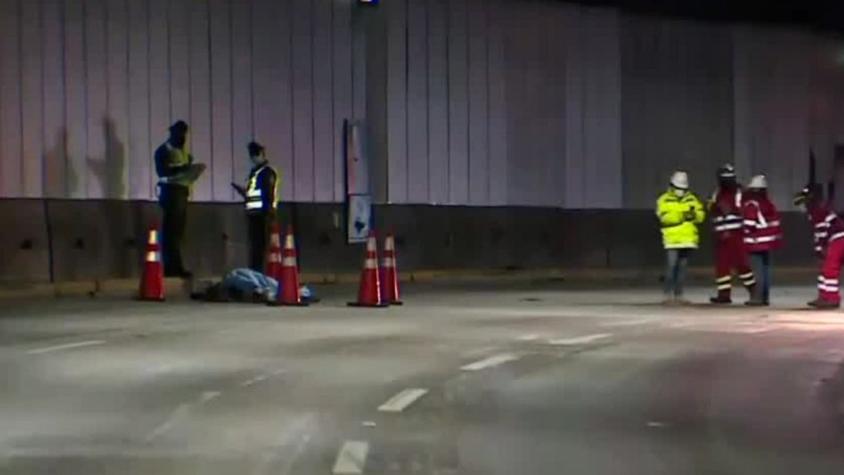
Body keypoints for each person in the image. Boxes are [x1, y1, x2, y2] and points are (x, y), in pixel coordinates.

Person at [656, 171, 706, 305]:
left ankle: (679, 295)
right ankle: (667, 294)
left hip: (688, 240)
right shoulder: (664, 199)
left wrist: (694, 215)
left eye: (683, 188)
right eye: (678, 188)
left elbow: (701, 216)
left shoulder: (692, 199)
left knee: (682, 269)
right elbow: (664, 218)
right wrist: (682, 215)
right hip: (672, 240)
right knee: (671, 267)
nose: (680, 191)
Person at [154, 121, 196, 278]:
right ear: (173, 133)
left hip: (182, 193)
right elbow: (162, 171)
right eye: (180, 134)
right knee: (170, 232)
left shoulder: (182, 152)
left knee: (178, 233)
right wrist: (182, 169)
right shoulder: (163, 151)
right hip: (170, 193)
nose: (183, 137)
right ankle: (171, 268)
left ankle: (176, 266)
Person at [708, 164, 755, 304]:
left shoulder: (740, 192)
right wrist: (713, 206)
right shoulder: (717, 192)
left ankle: (754, 292)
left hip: (736, 235)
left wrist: (732, 210)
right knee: (722, 266)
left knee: (742, 265)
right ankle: (724, 294)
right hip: (721, 235)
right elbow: (711, 207)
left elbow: (744, 209)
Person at [794, 184, 844, 309]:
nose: (802, 205)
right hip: (833, 239)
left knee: (829, 269)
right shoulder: (815, 211)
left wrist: (821, 248)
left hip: (838, 238)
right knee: (823, 268)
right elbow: (819, 232)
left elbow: (822, 232)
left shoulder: (818, 211)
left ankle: (832, 299)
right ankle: (824, 296)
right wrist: (820, 249)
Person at [232, 142, 278, 272]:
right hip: (254, 214)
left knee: (260, 247)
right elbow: (252, 194)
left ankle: (259, 273)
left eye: (255, 154)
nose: (253, 158)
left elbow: (268, 195)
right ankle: (255, 272)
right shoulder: (255, 172)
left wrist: (270, 214)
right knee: (255, 247)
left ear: (261, 154)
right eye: (251, 155)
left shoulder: (266, 172)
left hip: (262, 215)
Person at [741, 175, 783, 306]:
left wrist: (743, 233)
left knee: (757, 270)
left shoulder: (751, 204)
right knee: (766, 270)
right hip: (769, 242)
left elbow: (749, 223)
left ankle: (757, 298)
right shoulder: (768, 203)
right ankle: (765, 297)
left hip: (756, 242)